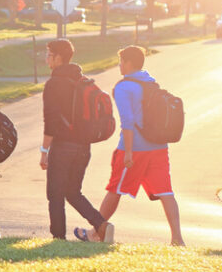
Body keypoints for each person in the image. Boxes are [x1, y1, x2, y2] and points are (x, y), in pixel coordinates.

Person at [77, 45, 185, 246]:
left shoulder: (124, 87)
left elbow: (127, 122)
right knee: (166, 192)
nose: (119, 66)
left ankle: (95, 233)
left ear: (127, 63)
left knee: (115, 188)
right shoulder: (150, 82)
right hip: (159, 147)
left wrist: (127, 152)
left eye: (120, 62)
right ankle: (177, 238)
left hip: (135, 149)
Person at [40, 39, 114, 243]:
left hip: (63, 146)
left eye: (49, 55)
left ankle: (58, 237)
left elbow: (51, 122)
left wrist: (44, 151)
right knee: (72, 192)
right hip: (83, 147)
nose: (46, 59)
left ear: (58, 58)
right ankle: (102, 225)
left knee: (55, 193)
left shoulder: (53, 84)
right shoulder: (81, 80)